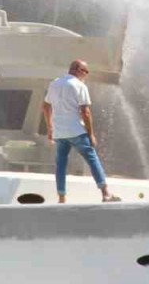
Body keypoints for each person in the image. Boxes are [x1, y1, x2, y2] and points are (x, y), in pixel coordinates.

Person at [43, 59, 120, 203]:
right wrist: (91, 134)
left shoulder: (54, 83)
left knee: (60, 165)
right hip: (76, 131)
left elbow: (46, 107)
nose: (87, 74)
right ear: (78, 70)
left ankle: (61, 197)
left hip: (59, 133)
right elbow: (86, 112)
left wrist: (50, 127)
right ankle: (105, 193)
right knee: (92, 159)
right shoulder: (79, 85)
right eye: (86, 71)